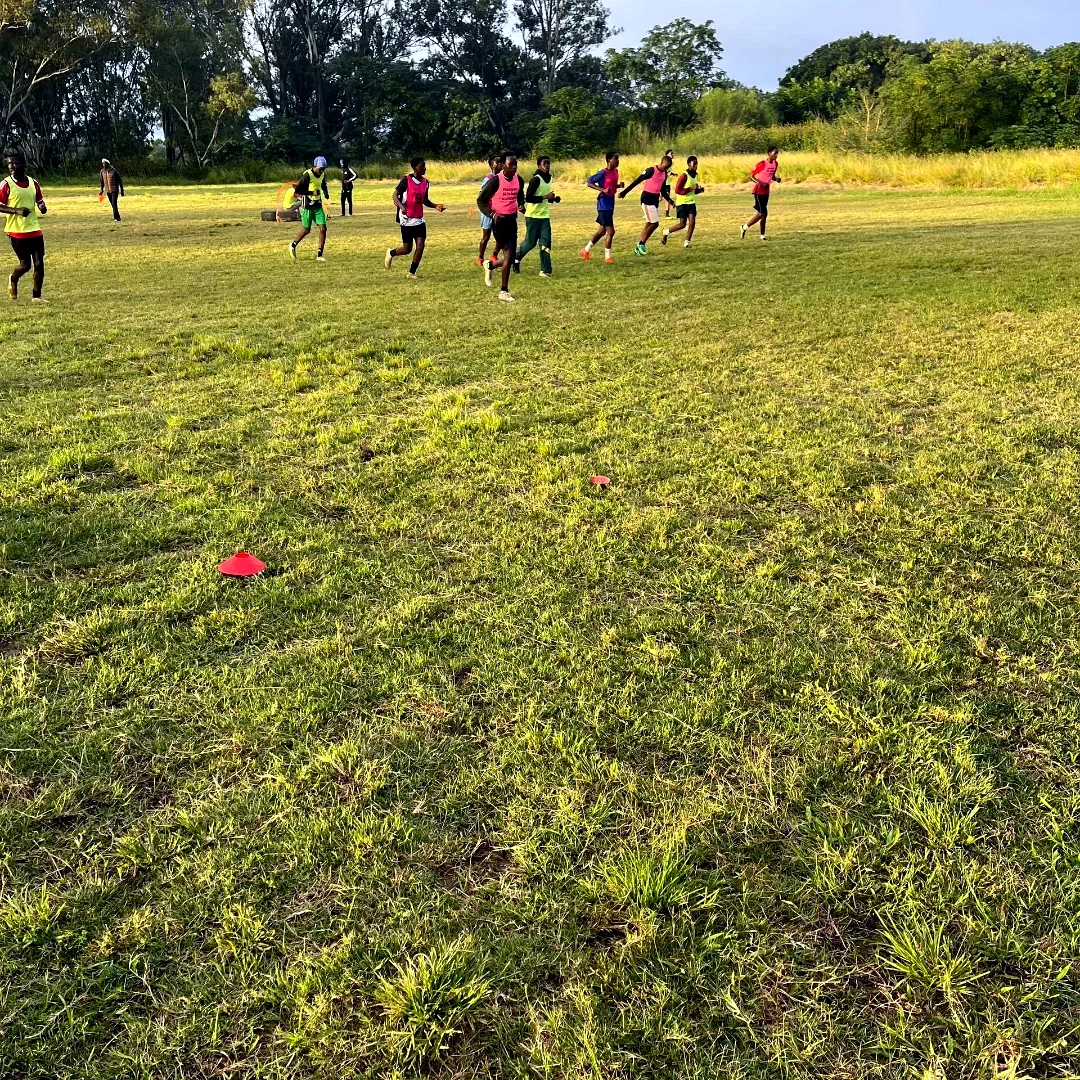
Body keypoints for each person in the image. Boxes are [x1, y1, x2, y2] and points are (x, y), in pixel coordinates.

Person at [384, 157, 446, 279]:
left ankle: (412, 272)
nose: (425, 168)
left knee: (421, 246)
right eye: (422, 166)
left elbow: (425, 200)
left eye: (425, 166)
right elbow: (394, 195)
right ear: (415, 167)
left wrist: (435, 206)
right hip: (406, 219)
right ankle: (391, 253)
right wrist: (402, 207)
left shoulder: (426, 182)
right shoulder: (406, 180)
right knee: (407, 249)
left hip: (419, 219)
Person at [0, 153, 48, 302]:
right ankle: (13, 279)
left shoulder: (34, 183)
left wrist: (42, 206)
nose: (12, 167)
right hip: (16, 232)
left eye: (15, 163)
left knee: (39, 264)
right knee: (25, 266)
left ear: (23, 164)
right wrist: (17, 211)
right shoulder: (6, 184)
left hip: (34, 229)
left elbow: (39, 200)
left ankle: (36, 297)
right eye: (9, 164)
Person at [477, 154, 524, 302]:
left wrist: (521, 205)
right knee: (509, 255)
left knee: (509, 258)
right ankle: (504, 291)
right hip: (499, 222)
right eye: (511, 165)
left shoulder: (519, 179)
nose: (514, 167)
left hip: (512, 220)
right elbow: (481, 201)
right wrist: (492, 214)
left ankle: (489, 264)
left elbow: (520, 195)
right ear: (503, 165)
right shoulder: (495, 181)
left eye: (516, 164)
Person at [513, 155, 559, 278]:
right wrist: (545, 197)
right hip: (533, 216)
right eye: (545, 163)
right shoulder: (536, 179)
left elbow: (546, 196)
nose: (547, 165)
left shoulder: (549, 178)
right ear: (539, 165)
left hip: (544, 216)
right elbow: (528, 198)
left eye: (549, 163)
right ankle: (516, 258)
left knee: (546, 242)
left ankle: (545, 270)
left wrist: (553, 199)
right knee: (530, 243)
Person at [620, 154, 674, 256]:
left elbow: (662, 190)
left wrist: (670, 200)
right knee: (655, 223)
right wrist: (624, 192)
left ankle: (638, 247)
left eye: (667, 167)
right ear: (662, 163)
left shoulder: (664, 174)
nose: (665, 168)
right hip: (646, 199)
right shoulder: (651, 170)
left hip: (654, 200)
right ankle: (641, 244)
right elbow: (637, 181)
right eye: (665, 166)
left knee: (649, 223)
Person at [580, 151, 622, 264]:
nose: (618, 161)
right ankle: (607, 257)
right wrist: (602, 189)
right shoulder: (602, 173)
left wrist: (618, 186)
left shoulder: (616, 171)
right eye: (616, 159)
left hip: (610, 203)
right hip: (603, 204)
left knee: (602, 230)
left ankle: (586, 250)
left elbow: (611, 185)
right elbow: (589, 182)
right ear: (609, 160)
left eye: (618, 159)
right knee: (611, 231)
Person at [289, 156, 330, 261]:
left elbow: (323, 184)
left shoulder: (322, 174)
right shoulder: (308, 175)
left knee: (323, 228)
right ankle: (293, 245)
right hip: (307, 205)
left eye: (324, 169)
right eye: (320, 168)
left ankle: (319, 255)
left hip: (317, 205)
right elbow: (297, 191)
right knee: (306, 230)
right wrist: (311, 193)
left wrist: (325, 193)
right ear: (315, 166)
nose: (322, 171)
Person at [663, 155, 704, 247]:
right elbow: (678, 190)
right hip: (682, 203)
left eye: (697, 164)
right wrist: (690, 188)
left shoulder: (696, 175)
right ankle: (666, 232)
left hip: (691, 202)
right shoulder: (684, 176)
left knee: (692, 222)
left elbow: (694, 191)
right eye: (694, 164)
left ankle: (687, 242)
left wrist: (699, 190)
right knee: (682, 224)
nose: (696, 166)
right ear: (689, 165)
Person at [742, 147, 781, 241]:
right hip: (758, 190)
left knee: (763, 214)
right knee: (762, 213)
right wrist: (760, 183)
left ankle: (761, 235)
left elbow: (772, 176)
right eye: (774, 153)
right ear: (769, 153)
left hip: (766, 190)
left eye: (777, 153)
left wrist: (776, 179)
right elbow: (751, 176)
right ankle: (745, 227)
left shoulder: (775, 164)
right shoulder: (762, 163)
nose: (776, 155)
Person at [476, 153, 503, 266]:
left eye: (501, 162)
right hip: (488, 212)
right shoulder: (488, 179)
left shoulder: (502, 178)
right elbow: (481, 196)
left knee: (501, 236)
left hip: (499, 211)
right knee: (486, 236)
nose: (500, 164)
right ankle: (480, 257)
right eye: (497, 162)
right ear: (492, 165)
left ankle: (494, 255)